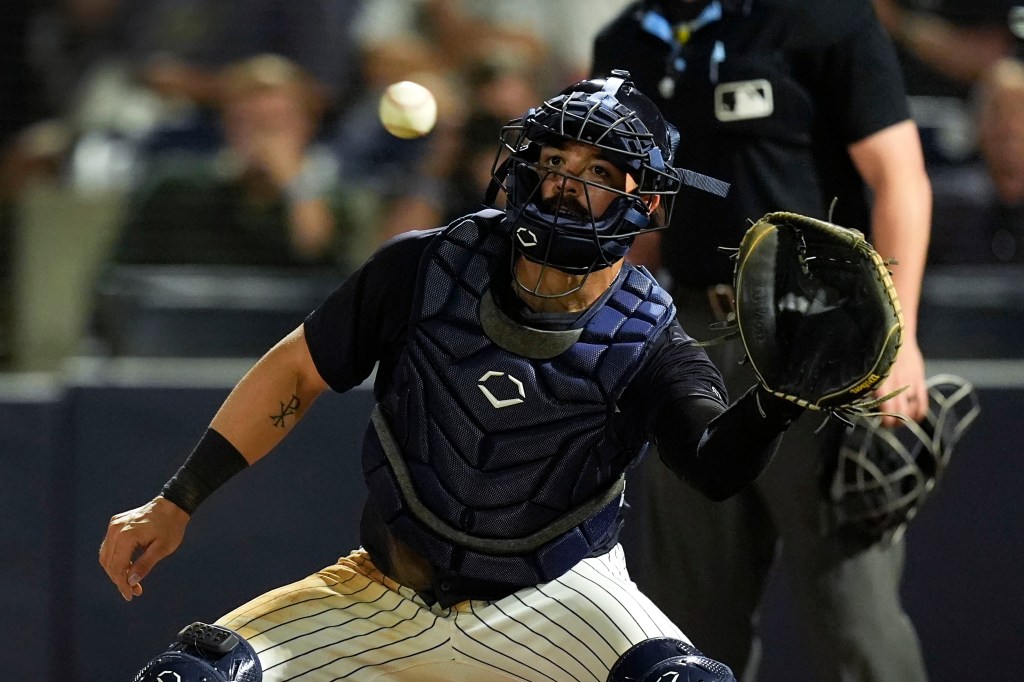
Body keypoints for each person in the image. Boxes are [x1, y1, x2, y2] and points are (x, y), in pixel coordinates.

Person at [97, 73, 805, 681]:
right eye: (555, 158)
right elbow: (297, 370)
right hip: (381, 592)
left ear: (643, 200)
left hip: (560, 599)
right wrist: (175, 501)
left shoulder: (652, 337)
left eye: (596, 172)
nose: (564, 183)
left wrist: (778, 400)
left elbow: (713, 466)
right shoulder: (424, 266)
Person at [592, 2, 933, 681]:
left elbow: (900, 178)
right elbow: (635, 213)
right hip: (685, 334)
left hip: (819, 336)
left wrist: (898, 338)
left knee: (854, 621)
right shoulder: (626, 39)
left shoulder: (822, 17)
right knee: (685, 626)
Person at [107, 53, 364, 270]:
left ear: (307, 126)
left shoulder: (336, 201)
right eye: (251, 122)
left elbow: (321, 258)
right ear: (227, 125)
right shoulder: (176, 189)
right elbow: (122, 279)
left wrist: (295, 185)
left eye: (277, 123)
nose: (263, 138)